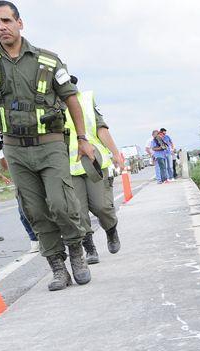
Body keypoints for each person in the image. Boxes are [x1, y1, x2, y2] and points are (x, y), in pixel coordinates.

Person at [0, 1, 98, 291]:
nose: (1, 27)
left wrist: (82, 139)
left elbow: (71, 99)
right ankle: (57, 266)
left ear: (19, 23)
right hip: (15, 148)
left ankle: (76, 251)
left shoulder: (48, 61)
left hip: (51, 144)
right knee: (34, 210)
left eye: (6, 20)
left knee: (61, 204)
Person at [64, 84, 123, 263]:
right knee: (78, 212)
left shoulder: (86, 100)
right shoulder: (50, 104)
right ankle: (89, 248)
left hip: (94, 161)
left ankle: (111, 230)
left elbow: (101, 128)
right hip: (69, 167)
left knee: (101, 206)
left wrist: (115, 153)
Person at [0, 137, 39, 252]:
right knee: (23, 212)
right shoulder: (7, 139)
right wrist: (0, 152)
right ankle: (34, 240)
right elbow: (5, 167)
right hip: (21, 181)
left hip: (39, 175)